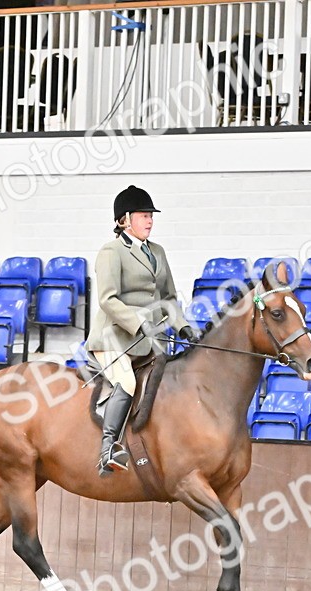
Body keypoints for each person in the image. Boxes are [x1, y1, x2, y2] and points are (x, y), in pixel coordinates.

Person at [85, 185, 200, 476]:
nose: (149, 220)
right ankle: (108, 449)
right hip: (115, 338)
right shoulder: (111, 251)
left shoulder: (157, 251)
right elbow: (107, 299)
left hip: (151, 341)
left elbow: (168, 297)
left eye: (151, 216)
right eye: (143, 215)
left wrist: (184, 327)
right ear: (124, 220)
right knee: (127, 382)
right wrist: (138, 323)